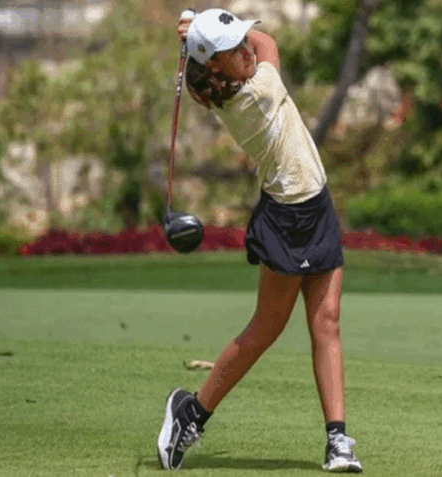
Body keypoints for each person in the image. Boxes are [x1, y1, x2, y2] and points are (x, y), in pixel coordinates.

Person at [156, 8, 362, 473]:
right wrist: (203, 30)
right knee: (266, 329)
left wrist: (201, 35)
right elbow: (269, 44)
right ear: (215, 66)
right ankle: (192, 412)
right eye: (233, 50)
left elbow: (244, 50)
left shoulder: (221, 85)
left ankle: (338, 441)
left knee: (327, 323)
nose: (246, 50)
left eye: (241, 42)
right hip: (287, 220)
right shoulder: (258, 92)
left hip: (316, 207)